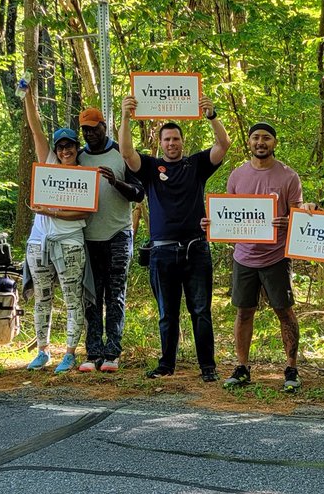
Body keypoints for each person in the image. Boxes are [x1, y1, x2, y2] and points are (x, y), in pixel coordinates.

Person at [120, 92, 230, 381]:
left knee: (201, 311)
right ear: (160, 143)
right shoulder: (150, 169)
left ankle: (208, 367)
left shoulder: (196, 165)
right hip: (162, 253)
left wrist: (212, 115)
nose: (171, 143)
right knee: (167, 314)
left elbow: (224, 145)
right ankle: (166, 365)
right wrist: (125, 117)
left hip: (196, 250)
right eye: (166, 139)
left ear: (182, 142)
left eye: (176, 139)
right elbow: (126, 153)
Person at [203, 122, 306, 392]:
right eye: (256, 138)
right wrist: (212, 224)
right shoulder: (237, 176)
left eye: (267, 138)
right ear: (249, 142)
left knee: (284, 312)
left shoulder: (288, 177)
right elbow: (229, 215)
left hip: (276, 257)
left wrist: (287, 221)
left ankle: (292, 368)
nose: (261, 142)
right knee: (244, 312)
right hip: (244, 257)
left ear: (274, 142)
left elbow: (298, 216)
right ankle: (242, 368)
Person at [22, 86, 91, 372]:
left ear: (77, 147)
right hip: (40, 242)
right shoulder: (48, 164)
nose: (65, 151)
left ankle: (71, 351)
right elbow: (36, 130)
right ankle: (42, 350)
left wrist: (50, 210)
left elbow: (84, 211)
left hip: (70, 243)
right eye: (60, 146)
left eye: (70, 146)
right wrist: (27, 97)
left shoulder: (84, 173)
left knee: (73, 299)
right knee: (42, 298)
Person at [75, 106, 144, 373]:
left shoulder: (122, 154)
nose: (90, 133)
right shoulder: (78, 158)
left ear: (104, 126)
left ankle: (112, 352)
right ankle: (92, 353)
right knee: (91, 297)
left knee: (115, 296)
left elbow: (139, 193)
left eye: (94, 127)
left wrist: (116, 182)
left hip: (117, 235)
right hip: (88, 237)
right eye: (85, 129)